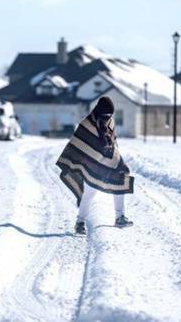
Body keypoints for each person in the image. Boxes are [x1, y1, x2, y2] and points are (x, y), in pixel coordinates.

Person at [56, 96, 134, 235]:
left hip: (110, 163)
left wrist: (115, 157)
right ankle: (80, 222)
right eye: (105, 114)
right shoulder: (87, 124)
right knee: (89, 194)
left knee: (120, 182)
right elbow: (78, 144)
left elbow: (113, 142)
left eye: (110, 115)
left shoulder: (110, 121)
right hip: (92, 165)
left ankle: (120, 217)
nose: (107, 117)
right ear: (98, 111)